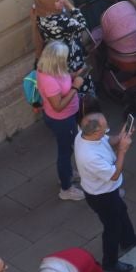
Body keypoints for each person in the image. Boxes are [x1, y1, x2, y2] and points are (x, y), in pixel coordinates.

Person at [76, 112, 136, 272]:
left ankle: (128, 239)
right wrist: (122, 149)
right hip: (102, 196)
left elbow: (108, 139)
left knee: (121, 211)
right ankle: (110, 263)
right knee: (111, 228)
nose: (107, 129)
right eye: (104, 127)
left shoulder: (84, 134)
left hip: (107, 192)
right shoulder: (90, 157)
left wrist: (122, 135)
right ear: (94, 132)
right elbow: (114, 175)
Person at [34, 39, 85, 198]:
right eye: (64, 57)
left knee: (68, 149)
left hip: (68, 116)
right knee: (65, 152)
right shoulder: (47, 80)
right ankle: (66, 189)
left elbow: (62, 78)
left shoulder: (52, 68)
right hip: (62, 120)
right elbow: (58, 105)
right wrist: (75, 86)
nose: (67, 60)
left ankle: (68, 173)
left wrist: (73, 75)